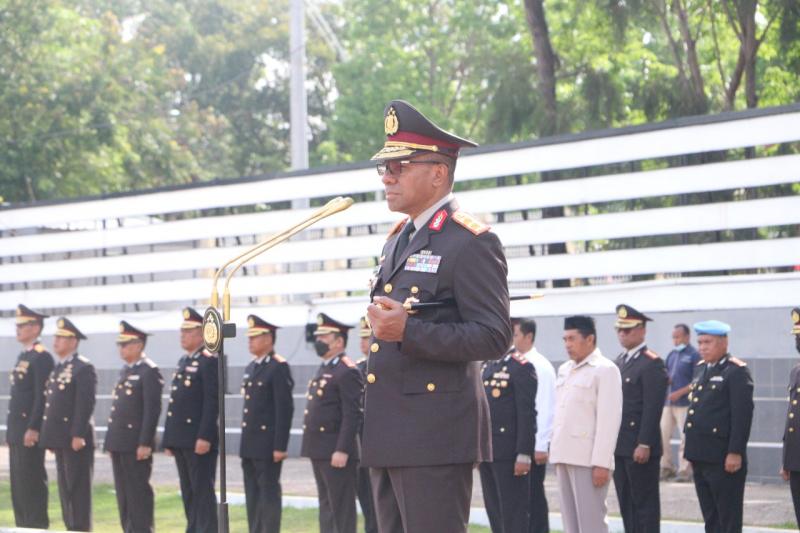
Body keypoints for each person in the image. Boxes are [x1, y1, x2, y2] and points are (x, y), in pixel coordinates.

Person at [364, 100, 512, 533]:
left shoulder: (470, 241)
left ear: (438, 173)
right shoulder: (398, 239)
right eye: (385, 167)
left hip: (434, 436)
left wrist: (409, 330)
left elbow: (494, 335)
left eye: (399, 166)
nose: (387, 177)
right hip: (391, 431)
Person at [549, 316, 622, 533]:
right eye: (565, 339)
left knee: (591, 524)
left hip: (588, 459)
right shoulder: (565, 369)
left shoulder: (605, 369)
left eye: (572, 338)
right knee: (570, 524)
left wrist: (602, 463)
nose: (567, 344)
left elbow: (609, 420)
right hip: (564, 453)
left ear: (589, 339)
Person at [683, 320, 754, 533]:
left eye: (708, 342)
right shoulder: (701, 369)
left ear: (724, 342)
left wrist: (735, 452)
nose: (703, 347)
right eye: (700, 342)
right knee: (711, 518)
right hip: (700, 454)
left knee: (728, 519)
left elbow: (742, 416)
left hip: (722, 457)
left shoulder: (736, 371)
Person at [301, 313, 363, 533]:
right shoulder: (326, 367)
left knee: (341, 508)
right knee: (326, 506)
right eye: (318, 336)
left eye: (324, 336)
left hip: (336, 452)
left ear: (338, 341)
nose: (318, 340)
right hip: (319, 449)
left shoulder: (347, 370)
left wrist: (342, 449)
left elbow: (352, 414)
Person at [162, 307, 219, 533]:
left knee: (202, 491)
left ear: (202, 334)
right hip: (182, 439)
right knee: (188, 491)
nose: (182, 335)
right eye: (182, 331)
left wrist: (205, 436)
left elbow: (212, 402)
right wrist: (169, 439)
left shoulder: (208, 361)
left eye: (188, 331)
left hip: (198, 439)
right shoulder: (183, 361)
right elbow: (175, 403)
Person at [612, 304, 668, 533]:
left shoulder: (651, 362)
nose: (622, 334)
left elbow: (652, 408)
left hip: (639, 445)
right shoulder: (620, 361)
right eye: (619, 330)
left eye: (627, 330)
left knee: (645, 505)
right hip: (621, 445)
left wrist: (644, 442)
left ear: (642, 330)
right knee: (627, 504)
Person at [104, 321, 163, 533]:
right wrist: (111, 442)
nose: (121, 348)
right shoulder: (126, 371)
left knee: (138, 494)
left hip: (136, 444)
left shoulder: (149, 371)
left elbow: (151, 410)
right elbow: (118, 409)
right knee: (124, 496)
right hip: (120, 443)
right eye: (119, 344)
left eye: (125, 344)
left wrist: (145, 442)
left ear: (138, 345)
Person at [39, 317, 97, 532]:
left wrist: (78, 434)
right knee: (65, 490)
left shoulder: (83, 367)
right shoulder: (58, 368)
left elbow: (85, 403)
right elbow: (53, 406)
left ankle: (80, 528)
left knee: (78, 489)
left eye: (61, 338)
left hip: (75, 439)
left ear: (73, 342)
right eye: (55, 337)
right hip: (61, 439)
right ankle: (70, 527)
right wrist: (50, 438)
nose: (56, 341)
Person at [239, 314, 294, 533]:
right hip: (250, 445)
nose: (250, 341)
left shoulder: (278, 367)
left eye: (255, 337)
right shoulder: (251, 367)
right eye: (249, 337)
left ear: (269, 339)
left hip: (268, 445)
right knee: (252, 498)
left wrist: (280, 446)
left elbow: (284, 409)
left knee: (268, 497)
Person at [479, 346, 537, 533]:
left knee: (513, 513)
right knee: (494, 511)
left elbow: (526, 414)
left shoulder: (520, 366)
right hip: (488, 450)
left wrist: (524, 453)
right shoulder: (487, 365)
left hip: (509, 453)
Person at [7, 304, 53, 529]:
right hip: (17, 430)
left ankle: (35, 527)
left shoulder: (41, 357)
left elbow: (41, 396)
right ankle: (22, 526)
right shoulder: (24, 355)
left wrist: (34, 427)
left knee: (31, 482)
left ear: (35, 328)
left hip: (28, 430)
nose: (17, 329)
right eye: (17, 325)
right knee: (19, 485)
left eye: (22, 325)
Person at [516, 317, 556, 533]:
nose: (512, 340)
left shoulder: (540, 365)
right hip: (521, 442)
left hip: (534, 444)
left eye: (515, 335)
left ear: (528, 336)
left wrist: (541, 444)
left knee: (534, 498)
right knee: (522, 500)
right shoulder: (516, 362)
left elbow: (545, 407)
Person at [661, 323, 700, 482]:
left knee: (685, 438)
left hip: (685, 404)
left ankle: (685, 470)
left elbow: (697, 382)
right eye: (673, 337)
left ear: (687, 337)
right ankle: (666, 467)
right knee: (663, 435)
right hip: (668, 403)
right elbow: (665, 374)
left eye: (678, 337)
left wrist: (679, 393)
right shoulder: (671, 355)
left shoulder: (694, 355)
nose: (675, 340)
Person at [355, 316, 378, 533]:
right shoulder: (358, 368)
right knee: (367, 501)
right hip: (361, 444)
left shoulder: (380, 368)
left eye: (367, 337)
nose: (363, 342)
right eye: (361, 338)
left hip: (379, 442)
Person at [782, 307, 800, 529]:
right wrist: (786, 460)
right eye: (796, 337)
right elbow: (792, 418)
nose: (797, 341)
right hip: (796, 460)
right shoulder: (796, 371)